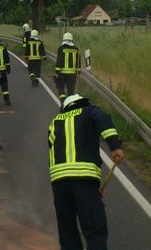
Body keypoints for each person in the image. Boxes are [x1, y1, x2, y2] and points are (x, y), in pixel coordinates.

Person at [48, 94, 125, 250]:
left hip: (59, 182)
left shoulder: (54, 122)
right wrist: (115, 146)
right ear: (81, 103)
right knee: (94, 227)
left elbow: (52, 146)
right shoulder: (90, 111)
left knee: (67, 229)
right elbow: (104, 121)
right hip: (85, 178)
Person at [54, 32, 81, 101]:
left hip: (62, 73)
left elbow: (59, 60)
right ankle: (70, 106)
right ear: (71, 40)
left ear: (64, 39)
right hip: (72, 74)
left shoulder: (61, 48)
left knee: (60, 87)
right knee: (71, 91)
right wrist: (78, 73)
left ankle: (63, 100)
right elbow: (78, 62)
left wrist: (57, 72)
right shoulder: (76, 49)